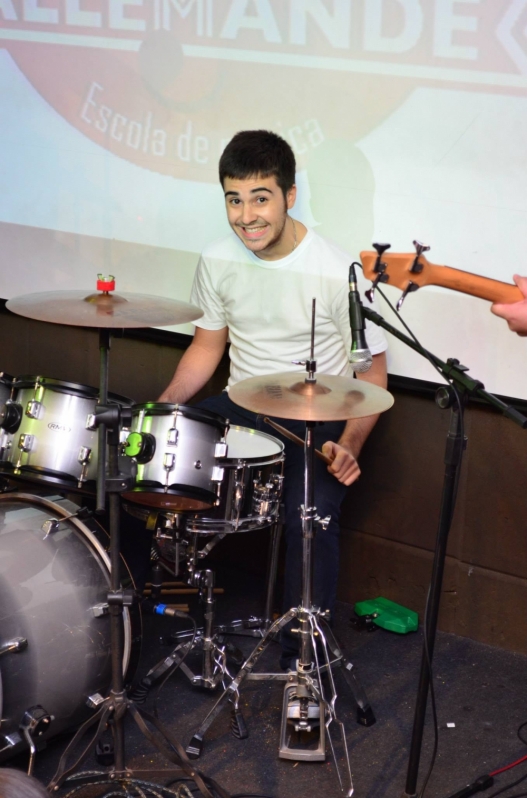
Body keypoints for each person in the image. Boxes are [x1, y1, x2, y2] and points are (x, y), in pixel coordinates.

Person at [159, 130, 388, 668]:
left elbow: (373, 373)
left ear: (288, 196)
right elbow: (205, 349)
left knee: (309, 516)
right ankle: (163, 615)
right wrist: (166, 409)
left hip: (318, 417)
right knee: (148, 459)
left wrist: (350, 443)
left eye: (260, 198)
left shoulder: (336, 270)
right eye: (233, 200)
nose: (245, 216)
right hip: (243, 408)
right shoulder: (218, 258)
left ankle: (303, 661)